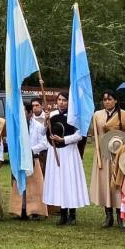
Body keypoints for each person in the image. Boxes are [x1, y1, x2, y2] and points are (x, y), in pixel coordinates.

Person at [89, 90, 125, 228]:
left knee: (119, 184)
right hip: (104, 154)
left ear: (115, 100)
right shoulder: (97, 115)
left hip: (119, 155)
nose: (107, 101)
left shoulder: (124, 116)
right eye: (104, 99)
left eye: (110, 99)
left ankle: (121, 216)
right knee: (105, 184)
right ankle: (108, 215)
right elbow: (95, 134)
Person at [43, 91, 89, 225]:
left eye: (64, 100)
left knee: (70, 180)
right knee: (59, 181)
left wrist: (64, 139)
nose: (61, 102)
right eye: (59, 100)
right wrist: (46, 122)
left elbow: (79, 135)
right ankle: (62, 213)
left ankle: (72, 214)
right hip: (55, 152)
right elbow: (42, 132)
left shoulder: (74, 116)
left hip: (69, 152)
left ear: (69, 102)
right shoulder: (51, 115)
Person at [9, 101, 48, 220]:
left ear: (30, 113)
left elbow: (44, 143)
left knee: (34, 186)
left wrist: (30, 151)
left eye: (24, 112)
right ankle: (20, 209)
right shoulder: (16, 127)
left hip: (32, 159)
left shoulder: (37, 126)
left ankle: (35, 210)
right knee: (19, 184)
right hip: (19, 160)